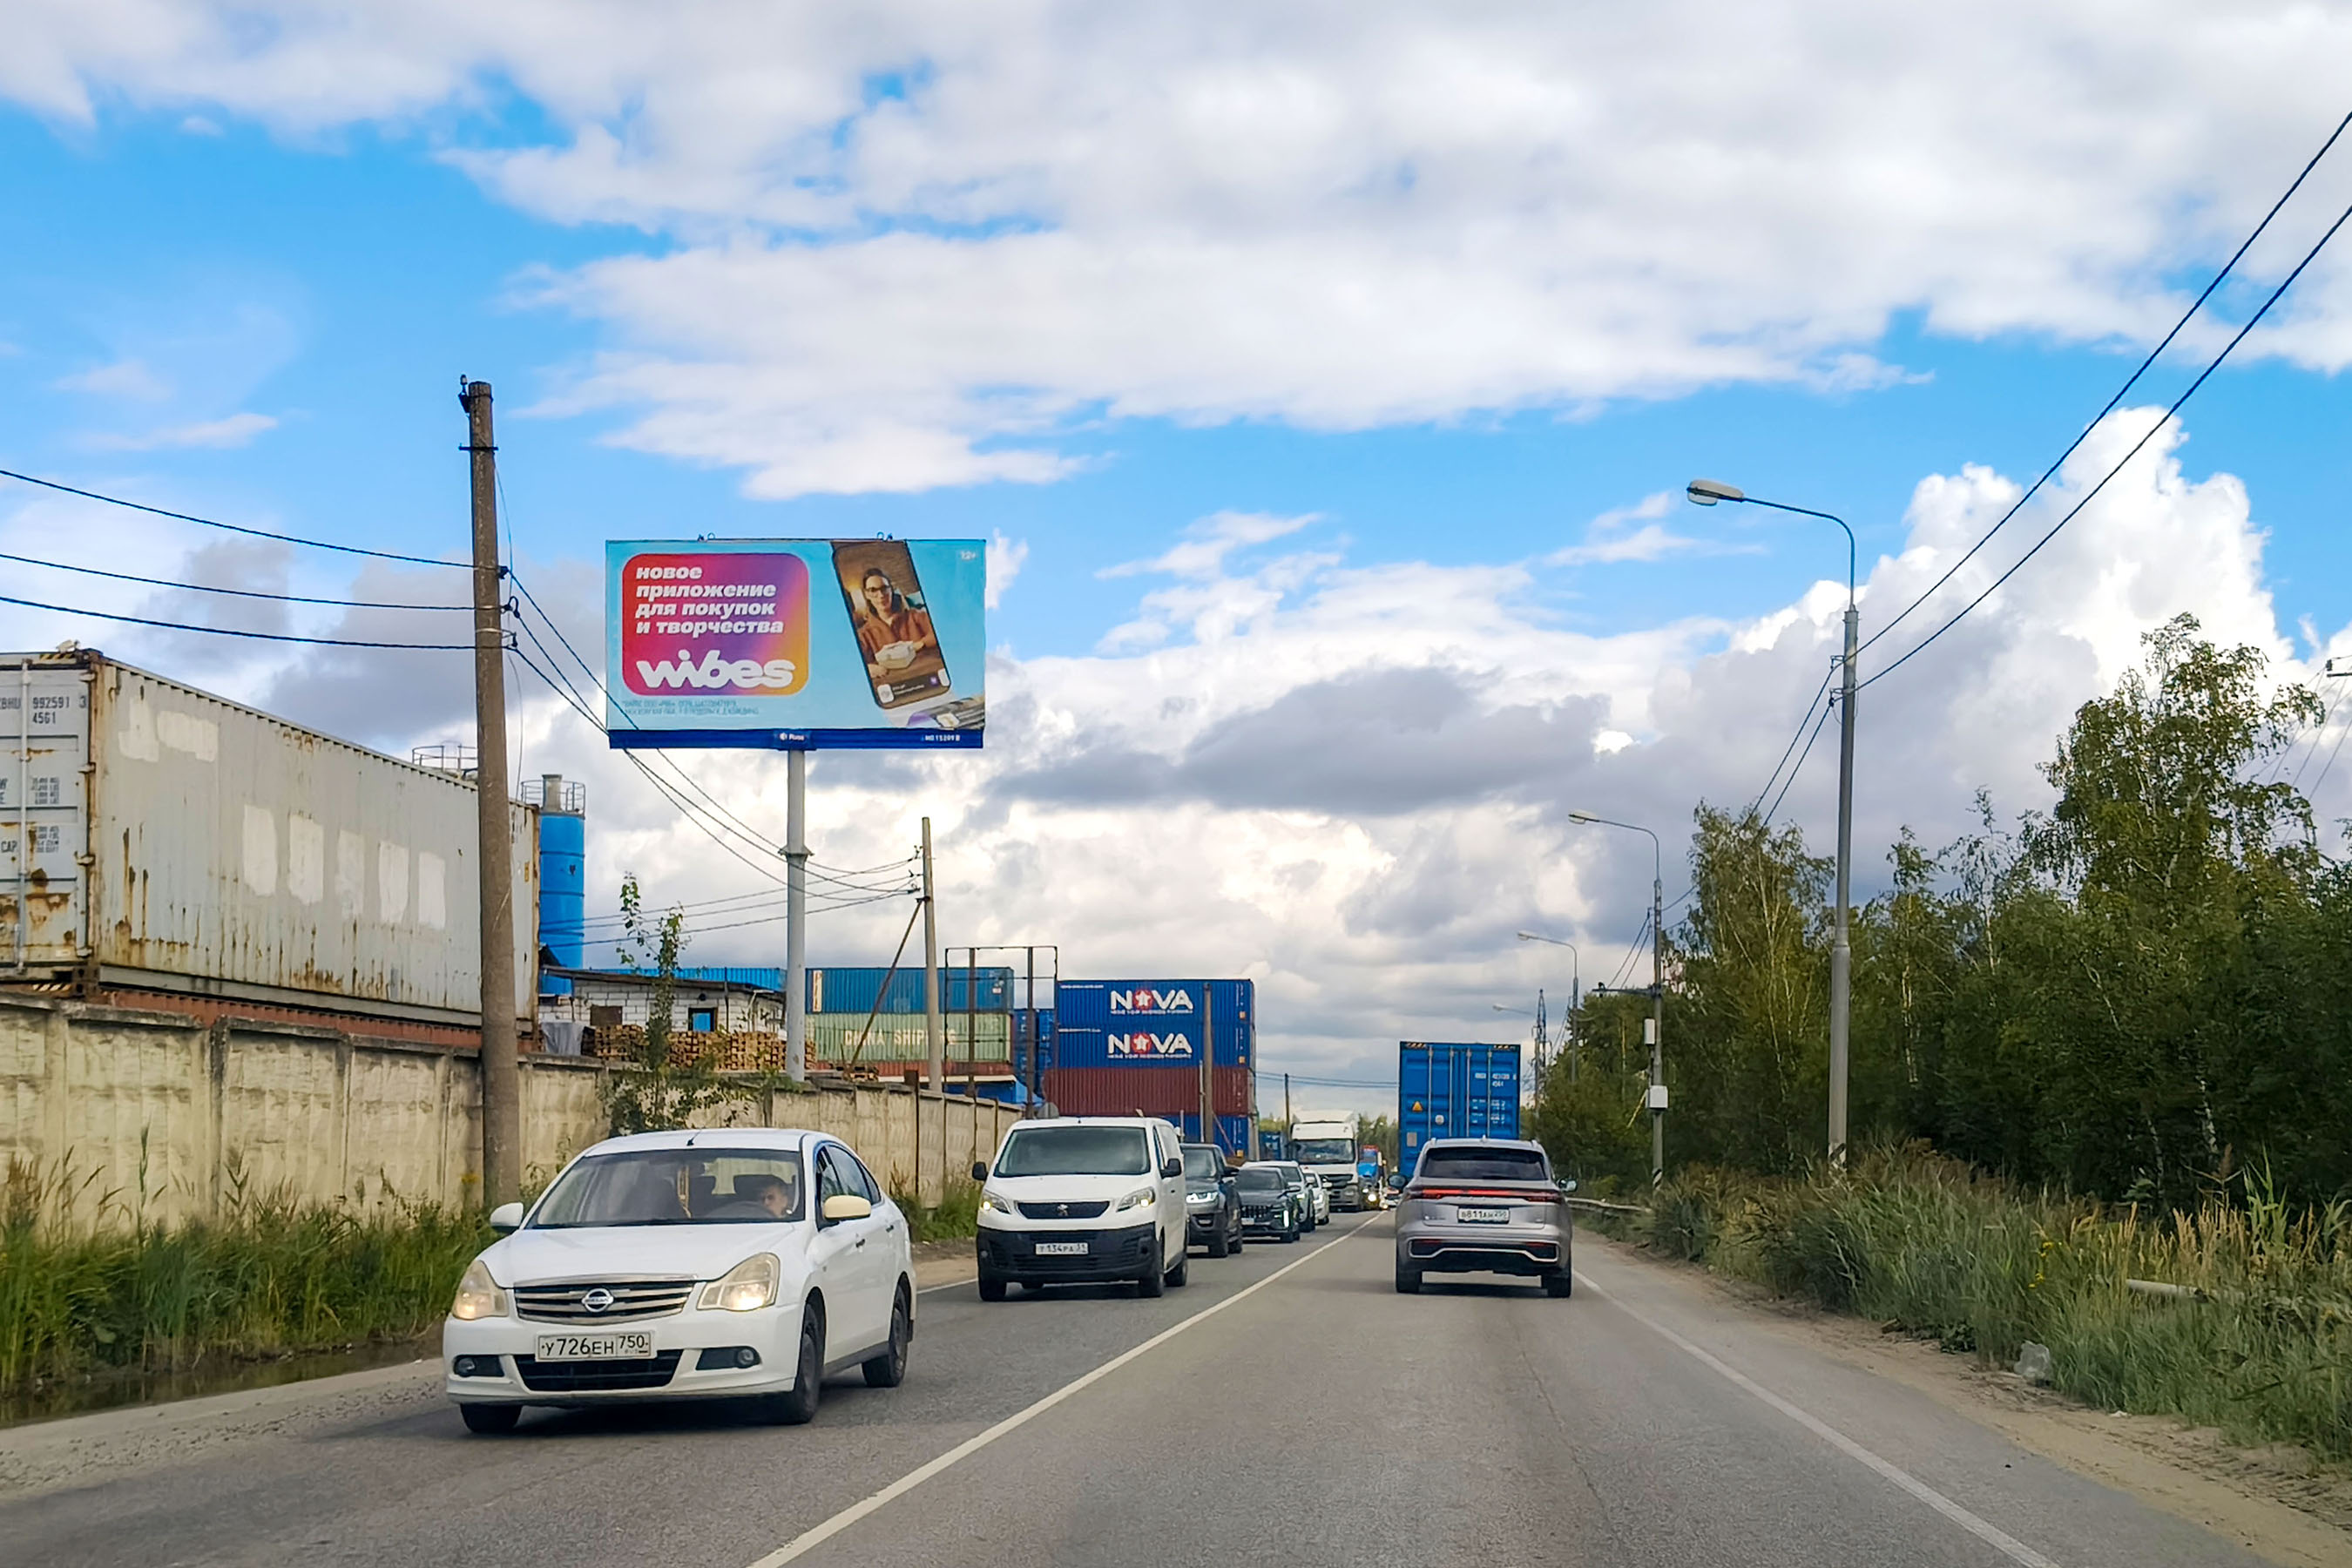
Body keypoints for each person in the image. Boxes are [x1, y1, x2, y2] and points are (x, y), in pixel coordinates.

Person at [852, 569, 938, 678]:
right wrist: (867, 668)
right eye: (873, 590)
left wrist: (919, 644)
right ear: (867, 595)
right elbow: (852, 663)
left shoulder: (915, 616)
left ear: (891, 590)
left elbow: (940, 631)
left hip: (928, 675)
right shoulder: (864, 634)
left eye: (884, 588)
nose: (881, 595)